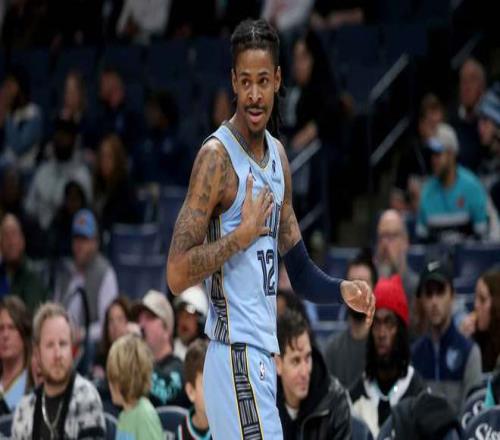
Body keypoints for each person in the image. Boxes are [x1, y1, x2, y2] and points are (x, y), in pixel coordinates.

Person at [166, 19, 374, 439]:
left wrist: (341, 290)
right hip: (235, 354)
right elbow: (176, 273)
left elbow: (299, 270)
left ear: (278, 79)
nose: (255, 94)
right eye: (245, 82)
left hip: (261, 357)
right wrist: (237, 239)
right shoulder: (216, 159)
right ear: (233, 82)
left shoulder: (279, 157)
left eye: (263, 81)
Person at [12, 302, 106, 439]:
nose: (57, 354)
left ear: (72, 350)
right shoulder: (24, 410)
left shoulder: (86, 397)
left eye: (63, 344)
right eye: (50, 345)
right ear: (37, 353)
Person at [350, 275, 425, 438]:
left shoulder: (419, 394)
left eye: (389, 322)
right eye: (376, 323)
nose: (381, 333)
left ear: (401, 330)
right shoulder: (356, 396)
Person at [411, 259, 482, 414]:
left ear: (452, 296)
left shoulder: (469, 352)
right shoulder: (414, 355)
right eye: (428, 294)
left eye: (440, 292)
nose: (434, 301)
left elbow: (472, 412)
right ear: (421, 300)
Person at [276, 309, 351, 439]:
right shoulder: (265, 401)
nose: (305, 372)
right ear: (278, 364)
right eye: (296, 361)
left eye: (307, 358)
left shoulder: (335, 402)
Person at [416, 122, 489, 244]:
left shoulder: (472, 187)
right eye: (432, 154)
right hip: (435, 256)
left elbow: (483, 241)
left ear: (452, 154)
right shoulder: (427, 192)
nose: (433, 160)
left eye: (438, 154)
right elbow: (421, 242)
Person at [54, 209, 118, 342]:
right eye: (76, 239)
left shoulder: (105, 273)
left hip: (90, 346)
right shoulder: (65, 272)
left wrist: (82, 334)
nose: (79, 245)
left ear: (95, 242)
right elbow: (55, 309)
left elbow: (108, 325)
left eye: (84, 240)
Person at [24, 118, 92, 231]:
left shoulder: (82, 175)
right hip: (40, 233)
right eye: (58, 136)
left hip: (70, 233)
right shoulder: (42, 171)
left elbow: (86, 217)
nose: (60, 140)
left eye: (65, 137)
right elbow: (29, 208)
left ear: (73, 141)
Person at [324, 251, 377, 388]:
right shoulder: (332, 349)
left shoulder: (384, 346)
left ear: (375, 289)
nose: (358, 293)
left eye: (364, 285)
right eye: (352, 285)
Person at [132, 289, 187, 407]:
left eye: (148, 317)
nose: (141, 325)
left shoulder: (179, 370)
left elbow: (164, 395)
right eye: (139, 319)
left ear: (166, 330)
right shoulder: (138, 365)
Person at [391, 93, 444, 212]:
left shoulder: (449, 152)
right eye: (431, 125)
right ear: (421, 125)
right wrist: (415, 213)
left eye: (439, 126)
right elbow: (396, 200)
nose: (436, 132)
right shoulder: (409, 154)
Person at [107, 333, 164, 440]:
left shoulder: (144, 415)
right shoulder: (123, 416)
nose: (109, 384)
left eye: (113, 379)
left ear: (126, 380)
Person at [0, 213, 47, 312]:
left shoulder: (33, 275)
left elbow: (32, 314)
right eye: (6, 236)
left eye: (14, 234)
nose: (11, 242)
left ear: (22, 241)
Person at [93, 134, 139, 234]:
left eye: (109, 157)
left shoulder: (126, 190)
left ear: (117, 159)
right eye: (102, 156)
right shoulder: (98, 185)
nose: (105, 161)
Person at [459, 269, 500, 372]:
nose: (476, 305)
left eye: (482, 299)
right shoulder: (476, 338)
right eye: (475, 298)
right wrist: (462, 341)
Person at [375, 209, 419, 301]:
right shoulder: (369, 286)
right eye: (381, 237)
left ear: (405, 241)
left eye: (391, 236)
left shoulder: (417, 289)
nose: (384, 243)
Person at [0, 296, 32, 415]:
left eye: (11, 327)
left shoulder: (34, 384)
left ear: (24, 334)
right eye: (1, 328)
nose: (5, 335)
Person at [178, 339, 211, 440]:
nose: (214, 391)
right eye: (206, 384)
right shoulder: (180, 433)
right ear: (191, 392)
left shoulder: (229, 426)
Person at [92, 296, 132, 380]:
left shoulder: (137, 358)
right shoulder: (100, 360)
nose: (115, 326)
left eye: (120, 319)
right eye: (111, 320)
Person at [173, 285, 208, 361]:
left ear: (200, 322)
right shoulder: (170, 349)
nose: (183, 321)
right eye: (180, 315)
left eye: (188, 316)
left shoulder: (210, 355)